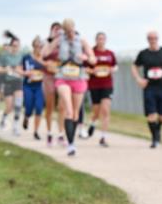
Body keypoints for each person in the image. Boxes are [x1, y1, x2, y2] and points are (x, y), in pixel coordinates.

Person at [42, 19, 94, 156]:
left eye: (71, 31)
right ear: (64, 31)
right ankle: (70, 146)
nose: (70, 34)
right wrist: (51, 39)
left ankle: (71, 141)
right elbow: (44, 53)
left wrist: (86, 57)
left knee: (76, 113)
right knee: (68, 110)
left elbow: (93, 59)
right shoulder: (59, 40)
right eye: (67, 31)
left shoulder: (82, 41)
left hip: (79, 78)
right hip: (63, 78)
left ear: (74, 28)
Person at [132, 31, 162, 148]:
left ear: (158, 39)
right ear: (147, 39)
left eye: (155, 38)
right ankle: (155, 139)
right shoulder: (143, 53)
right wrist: (138, 79)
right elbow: (134, 66)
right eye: (150, 38)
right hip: (149, 87)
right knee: (151, 114)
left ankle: (158, 130)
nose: (153, 40)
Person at [85, 31, 117, 147]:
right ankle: (93, 123)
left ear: (105, 40)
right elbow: (85, 68)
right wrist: (92, 71)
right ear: (96, 40)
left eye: (103, 38)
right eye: (99, 38)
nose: (101, 40)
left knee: (105, 110)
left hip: (107, 84)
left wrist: (112, 69)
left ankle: (103, 137)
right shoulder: (91, 53)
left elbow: (115, 65)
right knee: (96, 112)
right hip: (94, 85)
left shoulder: (110, 54)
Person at [41, 22, 65, 147]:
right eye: (55, 29)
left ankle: (61, 133)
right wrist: (53, 40)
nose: (57, 31)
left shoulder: (64, 43)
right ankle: (49, 133)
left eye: (59, 29)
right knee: (50, 105)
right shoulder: (47, 42)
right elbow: (42, 56)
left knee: (62, 106)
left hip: (61, 76)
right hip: (49, 76)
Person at [0, 36, 26, 136]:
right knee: (9, 106)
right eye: (14, 46)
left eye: (17, 46)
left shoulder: (22, 56)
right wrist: (6, 69)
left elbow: (26, 70)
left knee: (18, 105)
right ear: (10, 46)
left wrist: (20, 71)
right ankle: (3, 118)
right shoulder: (5, 56)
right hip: (8, 82)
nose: (15, 47)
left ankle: (15, 126)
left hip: (18, 81)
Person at [22, 37, 46, 140]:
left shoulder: (44, 58)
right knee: (28, 107)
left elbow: (50, 68)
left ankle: (36, 131)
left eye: (40, 46)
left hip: (39, 86)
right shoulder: (26, 57)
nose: (38, 48)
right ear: (33, 46)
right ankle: (26, 117)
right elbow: (18, 69)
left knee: (39, 108)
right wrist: (25, 73)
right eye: (37, 46)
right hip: (28, 85)